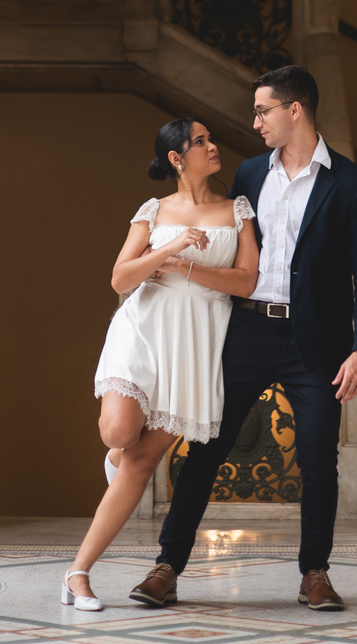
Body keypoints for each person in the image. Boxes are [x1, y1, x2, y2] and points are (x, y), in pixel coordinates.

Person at [129, 64, 357, 613]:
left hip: (315, 341)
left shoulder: (352, 183)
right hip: (244, 328)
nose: (255, 120)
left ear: (295, 111)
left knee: (319, 459)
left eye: (263, 110)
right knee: (205, 448)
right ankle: (166, 567)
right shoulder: (248, 174)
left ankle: (314, 572)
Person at [61, 116, 260, 611]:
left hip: (195, 344)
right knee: (118, 436)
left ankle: (77, 574)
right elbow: (120, 278)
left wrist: (188, 266)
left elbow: (247, 282)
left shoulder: (236, 210)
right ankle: (114, 458)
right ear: (177, 158)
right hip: (143, 331)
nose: (213, 147)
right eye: (200, 142)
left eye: (210, 139)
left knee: (142, 461)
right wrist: (168, 248)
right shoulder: (153, 210)